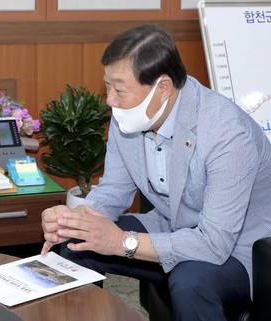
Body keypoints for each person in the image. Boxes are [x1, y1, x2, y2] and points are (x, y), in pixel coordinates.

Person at [41, 24, 271, 321]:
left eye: (119, 89)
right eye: (107, 85)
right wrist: (72, 222)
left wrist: (121, 242)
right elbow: (113, 191)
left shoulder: (227, 133)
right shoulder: (129, 117)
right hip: (173, 227)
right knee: (76, 244)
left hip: (241, 248)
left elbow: (214, 244)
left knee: (191, 281)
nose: (110, 99)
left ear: (162, 88)